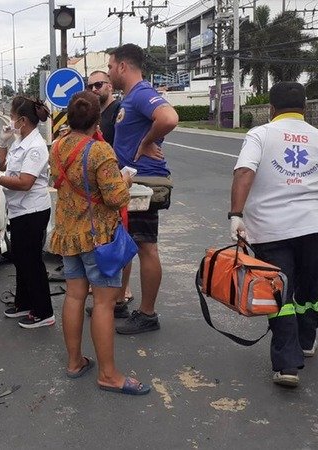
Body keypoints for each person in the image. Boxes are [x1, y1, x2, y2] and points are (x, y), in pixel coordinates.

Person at [230, 81, 318, 387]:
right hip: (314, 228)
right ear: (305, 109)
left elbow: (244, 172)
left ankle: (287, 365)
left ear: (271, 109)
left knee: (279, 293)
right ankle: (307, 339)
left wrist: (236, 215)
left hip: (270, 229)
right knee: (311, 287)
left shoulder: (259, 134)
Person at [50, 90, 150, 395]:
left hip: (68, 235)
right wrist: (127, 181)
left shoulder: (57, 147)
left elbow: (58, 180)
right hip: (98, 239)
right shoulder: (99, 152)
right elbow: (115, 197)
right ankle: (108, 375)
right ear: (97, 120)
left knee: (74, 297)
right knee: (104, 304)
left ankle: (74, 361)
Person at [108, 44, 179, 335]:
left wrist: (149, 141)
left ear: (123, 66)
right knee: (128, 243)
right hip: (131, 184)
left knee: (146, 247)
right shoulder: (131, 97)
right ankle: (119, 301)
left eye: (111, 67)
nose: (110, 72)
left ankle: (147, 314)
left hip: (144, 184)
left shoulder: (141, 93)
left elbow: (169, 118)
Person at [0, 96, 55, 329]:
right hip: (19, 210)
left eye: (12, 117)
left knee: (31, 262)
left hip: (33, 210)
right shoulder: (21, 141)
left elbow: (25, 182)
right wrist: (3, 142)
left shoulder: (36, 147)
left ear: (22, 119)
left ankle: (43, 311)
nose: (10, 120)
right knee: (20, 258)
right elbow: (1, 164)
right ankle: (24, 303)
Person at [84, 70, 134, 319]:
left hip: (116, 181)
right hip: (97, 189)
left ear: (110, 85)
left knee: (119, 240)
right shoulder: (94, 115)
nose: (94, 89)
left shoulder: (119, 110)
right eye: (90, 86)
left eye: (99, 84)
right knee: (104, 242)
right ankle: (109, 292)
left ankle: (121, 294)